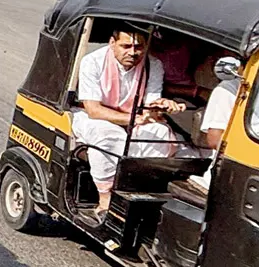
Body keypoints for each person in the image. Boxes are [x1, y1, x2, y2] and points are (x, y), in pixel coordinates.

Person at [72, 28, 187, 215]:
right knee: (107, 135)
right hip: (94, 117)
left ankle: (139, 190)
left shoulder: (153, 65)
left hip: (133, 117)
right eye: (126, 46)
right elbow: (93, 110)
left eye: (138, 47)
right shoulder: (92, 61)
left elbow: (150, 104)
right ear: (112, 43)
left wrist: (162, 105)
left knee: (161, 134)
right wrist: (136, 119)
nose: (133, 53)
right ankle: (105, 198)